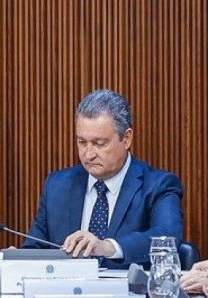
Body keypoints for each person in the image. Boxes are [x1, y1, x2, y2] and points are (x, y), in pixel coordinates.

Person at [22, 89, 183, 269]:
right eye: (82, 142)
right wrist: (17, 259)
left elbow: (168, 236)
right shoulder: (58, 185)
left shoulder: (158, 185)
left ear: (127, 139)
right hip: (67, 293)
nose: (88, 154)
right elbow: (35, 247)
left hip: (129, 295)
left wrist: (106, 247)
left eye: (100, 143)